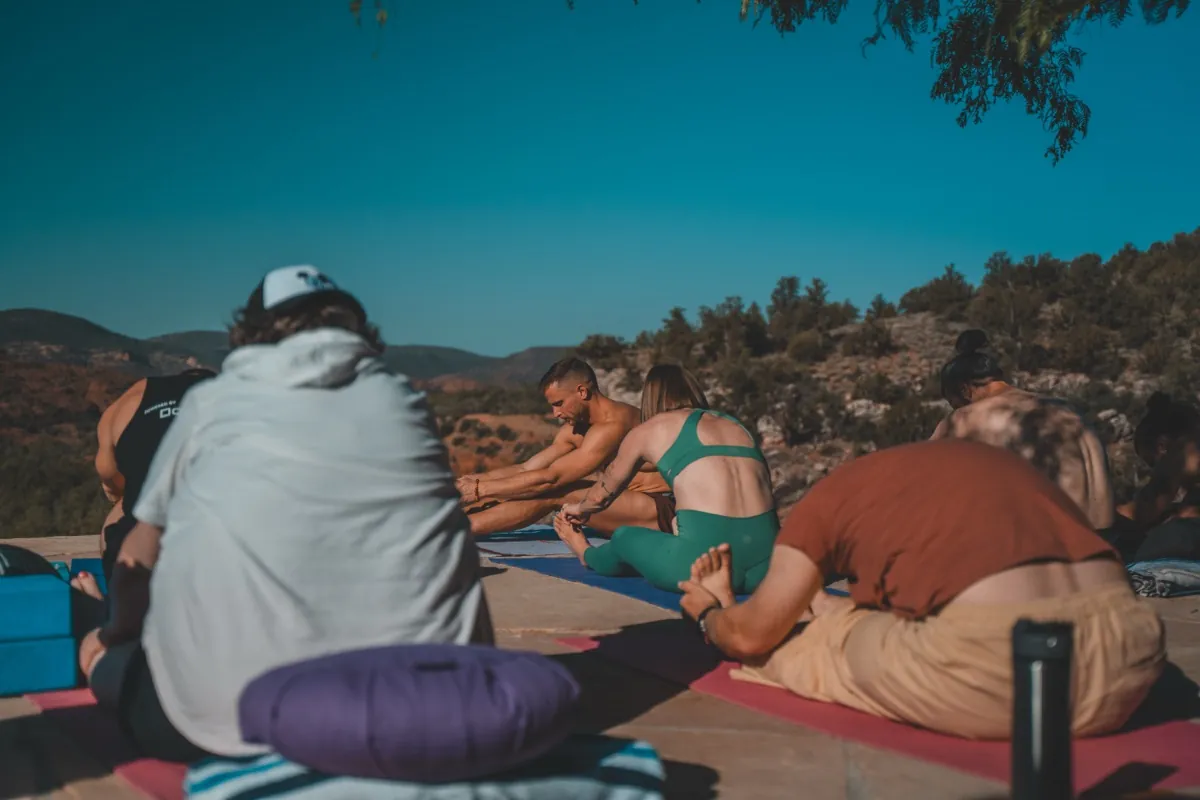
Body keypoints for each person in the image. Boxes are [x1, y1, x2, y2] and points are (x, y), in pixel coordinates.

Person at [75, 265, 493, 762]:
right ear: (357, 329)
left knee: (97, 649)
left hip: (239, 721)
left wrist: (110, 629)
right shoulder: (405, 400)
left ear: (250, 333)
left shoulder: (213, 404)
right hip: (431, 710)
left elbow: (137, 565)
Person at [677, 439, 1166, 740]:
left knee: (798, 649)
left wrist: (709, 615)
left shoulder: (825, 501)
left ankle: (733, 603)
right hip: (1132, 650)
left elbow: (750, 638)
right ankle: (822, 606)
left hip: (1006, 669)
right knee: (867, 618)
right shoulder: (981, 464)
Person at [555, 364, 777, 593]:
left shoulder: (650, 430)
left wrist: (579, 509)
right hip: (768, 568)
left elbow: (601, 497)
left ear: (650, 398)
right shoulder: (738, 427)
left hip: (705, 566)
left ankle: (586, 553)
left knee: (625, 537)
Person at [456, 357, 674, 536]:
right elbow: (527, 469)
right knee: (526, 485)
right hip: (620, 502)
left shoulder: (614, 424)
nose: (556, 414)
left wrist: (478, 490)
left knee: (556, 492)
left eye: (559, 404)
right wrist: (470, 483)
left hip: (660, 509)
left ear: (582, 392)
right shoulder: (576, 430)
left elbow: (552, 479)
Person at [930, 329, 1114, 530]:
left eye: (953, 403)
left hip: (1050, 550)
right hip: (1104, 546)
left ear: (965, 390)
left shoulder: (965, 419)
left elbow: (921, 475)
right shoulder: (1069, 409)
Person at [95, 366, 216, 584]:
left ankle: (114, 594)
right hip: (229, 551)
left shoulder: (131, 398)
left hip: (143, 559)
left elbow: (111, 484)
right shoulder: (244, 394)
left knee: (123, 505)